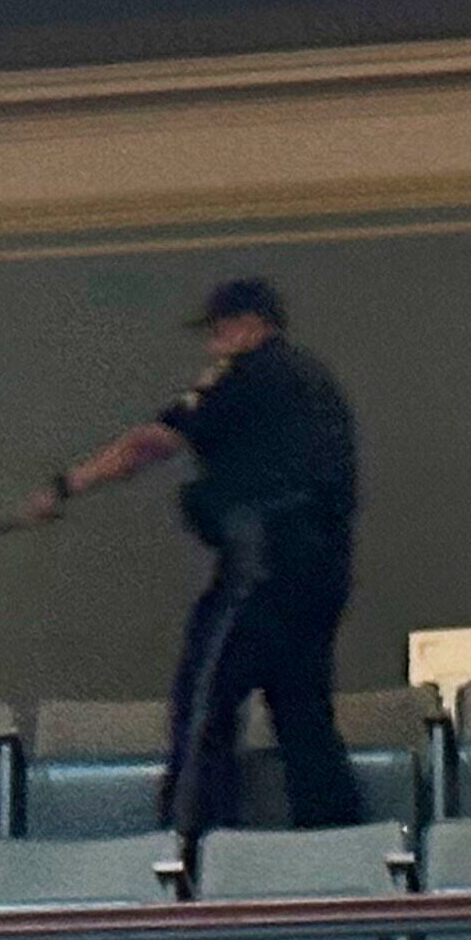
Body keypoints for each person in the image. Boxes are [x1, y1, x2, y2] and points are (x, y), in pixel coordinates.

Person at [28, 278, 363, 834]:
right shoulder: (318, 383)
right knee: (305, 717)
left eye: (218, 332)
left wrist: (64, 487)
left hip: (259, 568)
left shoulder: (243, 378)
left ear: (248, 326)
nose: (213, 346)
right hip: (321, 575)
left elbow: (150, 444)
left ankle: (191, 849)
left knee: (204, 703)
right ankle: (337, 842)